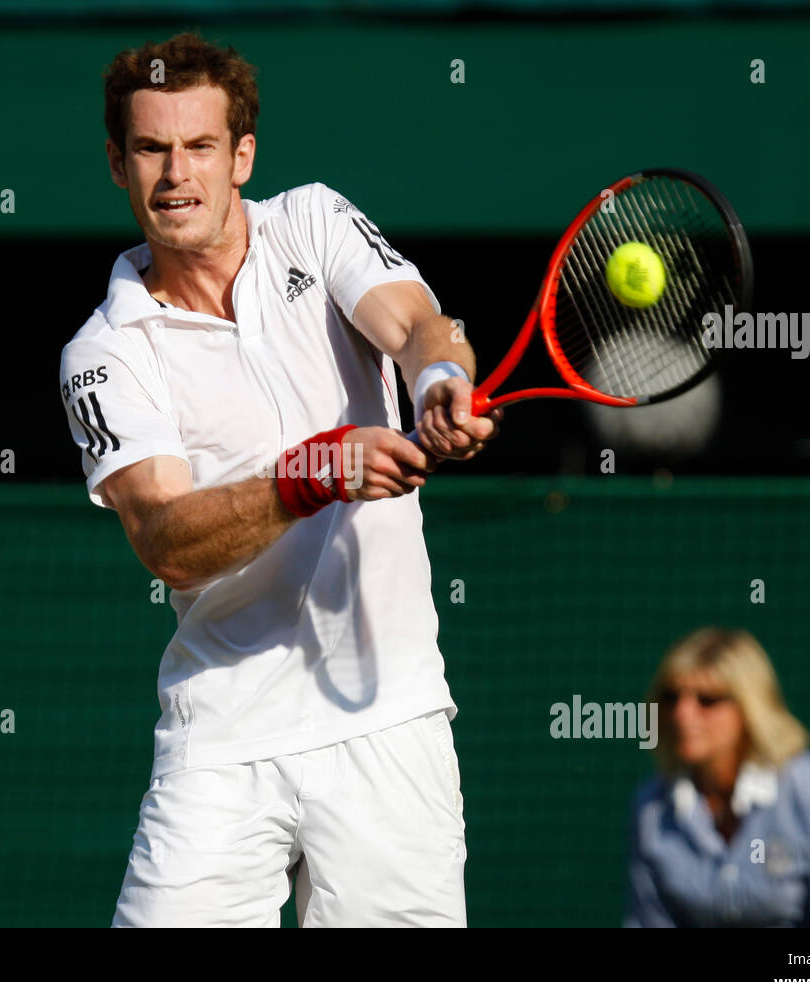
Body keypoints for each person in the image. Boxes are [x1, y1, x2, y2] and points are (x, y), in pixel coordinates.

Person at [59, 32, 501, 927]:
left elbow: (420, 324)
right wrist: (311, 475)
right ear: (117, 162)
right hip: (220, 742)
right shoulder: (102, 354)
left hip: (390, 720)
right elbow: (167, 540)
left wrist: (438, 381)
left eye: (200, 147)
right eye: (151, 148)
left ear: (242, 156)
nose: (175, 174)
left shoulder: (314, 220)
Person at [623, 627, 810, 927]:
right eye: (672, 697)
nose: (682, 714)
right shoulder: (650, 807)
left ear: (750, 707)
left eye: (707, 699)